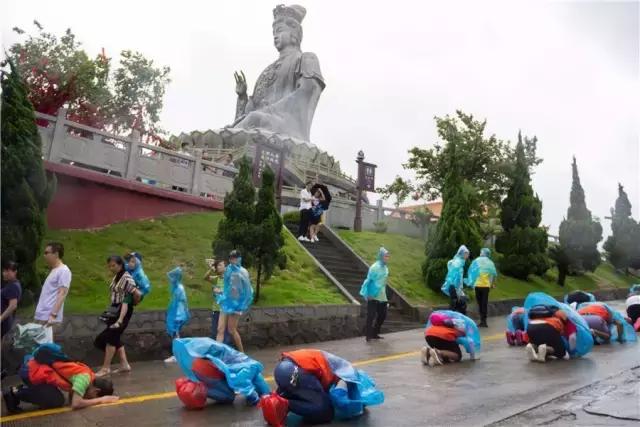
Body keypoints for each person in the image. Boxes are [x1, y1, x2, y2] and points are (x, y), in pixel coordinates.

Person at [260, 349, 384, 426]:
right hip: (296, 372)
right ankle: (284, 403)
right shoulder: (349, 375)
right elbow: (343, 399)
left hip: (283, 369)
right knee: (325, 411)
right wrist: (355, 406)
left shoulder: (339, 365)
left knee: (305, 393)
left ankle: (276, 398)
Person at [2, 343, 117, 413]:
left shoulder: (88, 375)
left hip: (33, 368)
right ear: (96, 391)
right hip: (30, 371)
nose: (90, 398)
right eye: (94, 396)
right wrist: (101, 400)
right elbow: (76, 404)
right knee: (55, 400)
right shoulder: (84, 379)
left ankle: (20, 392)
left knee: (57, 399)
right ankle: (14, 393)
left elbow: (74, 397)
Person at [172, 337, 270, 408]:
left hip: (199, 361)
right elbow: (241, 382)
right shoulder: (249, 368)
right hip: (206, 368)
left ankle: (195, 384)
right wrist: (254, 399)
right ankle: (198, 388)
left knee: (232, 384)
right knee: (229, 397)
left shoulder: (246, 363)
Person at [94, 256, 140, 376]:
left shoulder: (126, 277)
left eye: (113, 265)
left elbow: (137, 293)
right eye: (109, 266)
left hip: (123, 311)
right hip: (114, 310)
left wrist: (132, 302)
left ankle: (106, 368)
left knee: (110, 337)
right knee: (111, 337)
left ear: (120, 265)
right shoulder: (117, 277)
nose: (111, 268)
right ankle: (124, 364)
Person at [523, 292, 593, 363]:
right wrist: (572, 351)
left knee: (540, 342)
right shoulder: (569, 322)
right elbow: (572, 338)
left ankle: (532, 346)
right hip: (548, 327)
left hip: (531, 326)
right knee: (560, 352)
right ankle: (546, 349)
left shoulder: (544, 314)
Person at [215, 250, 253, 352]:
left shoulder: (242, 272)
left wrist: (240, 304)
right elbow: (228, 287)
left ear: (239, 258)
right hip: (226, 302)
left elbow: (246, 290)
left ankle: (242, 353)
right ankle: (217, 355)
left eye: (234, 258)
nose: (232, 260)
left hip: (236, 305)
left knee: (231, 330)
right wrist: (220, 292)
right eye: (231, 258)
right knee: (220, 329)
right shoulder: (228, 270)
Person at [34, 242, 72, 343]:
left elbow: (62, 293)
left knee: (44, 349)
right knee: (38, 348)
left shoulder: (64, 270)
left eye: (47, 253)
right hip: (42, 315)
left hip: (48, 317)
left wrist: (53, 315)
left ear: (56, 254)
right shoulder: (54, 270)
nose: (44, 255)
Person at [360, 247, 390, 342]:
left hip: (382, 296)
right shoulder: (374, 267)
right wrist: (368, 293)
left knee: (382, 315)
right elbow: (369, 280)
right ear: (381, 256)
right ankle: (368, 336)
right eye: (386, 256)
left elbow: (383, 283)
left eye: (388, 256)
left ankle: (375, 333)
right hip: (372, 295)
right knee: (371, 315)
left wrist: (386, 297)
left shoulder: (385, 268)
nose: (387, 258)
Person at [164, 267, 191, 363]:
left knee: (175, 333)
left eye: (172, 277)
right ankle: (178, 354)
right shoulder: (177, 287)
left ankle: (176, 355)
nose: (170, 279)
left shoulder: (179, 288)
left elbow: (183, 301)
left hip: (178, 314)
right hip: (176, 313)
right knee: (175, 333)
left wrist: (185, 312)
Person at [466, 248, 498, 327]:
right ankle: (484, 321)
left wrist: (471, 283)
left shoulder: (476, 261)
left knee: (480, 304)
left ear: (482, 253)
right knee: (484, 304)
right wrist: (492, 284)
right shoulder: (490, 263)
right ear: (488, 254)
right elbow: (493, 274)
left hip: (477, 285)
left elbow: (471, 272)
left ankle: (481, 320)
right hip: (485, 286)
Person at [441, 245, 471, 315]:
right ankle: (451, 319)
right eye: (466, 254)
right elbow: (455, 275)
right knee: (456, 304)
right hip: (454, 286)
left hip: (455, 286)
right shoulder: (458, 262)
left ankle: (455, 320)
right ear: (462, 253)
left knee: (457, 304)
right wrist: (457, 288)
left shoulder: (459, 261)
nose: (468, 255)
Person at [1, 261, 22, 338]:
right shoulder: (11, 283)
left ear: (15, 272)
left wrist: (1, 318)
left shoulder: (13, 286)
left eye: (7, 271)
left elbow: (13, 306)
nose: (4, 273)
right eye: (3, 271)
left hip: (4, 321)